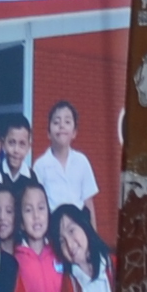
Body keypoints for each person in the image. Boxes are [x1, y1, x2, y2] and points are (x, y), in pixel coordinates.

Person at [31, 97, 101, 238]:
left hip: (80, 227)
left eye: (67, 122)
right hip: (53, 229)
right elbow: (38, 204)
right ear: (48, 133)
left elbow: (89, 204)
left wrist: (94, 238)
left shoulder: (82, 161)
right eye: (56, 122)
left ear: (74, 132)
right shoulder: (40, 165)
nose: (61, 126)